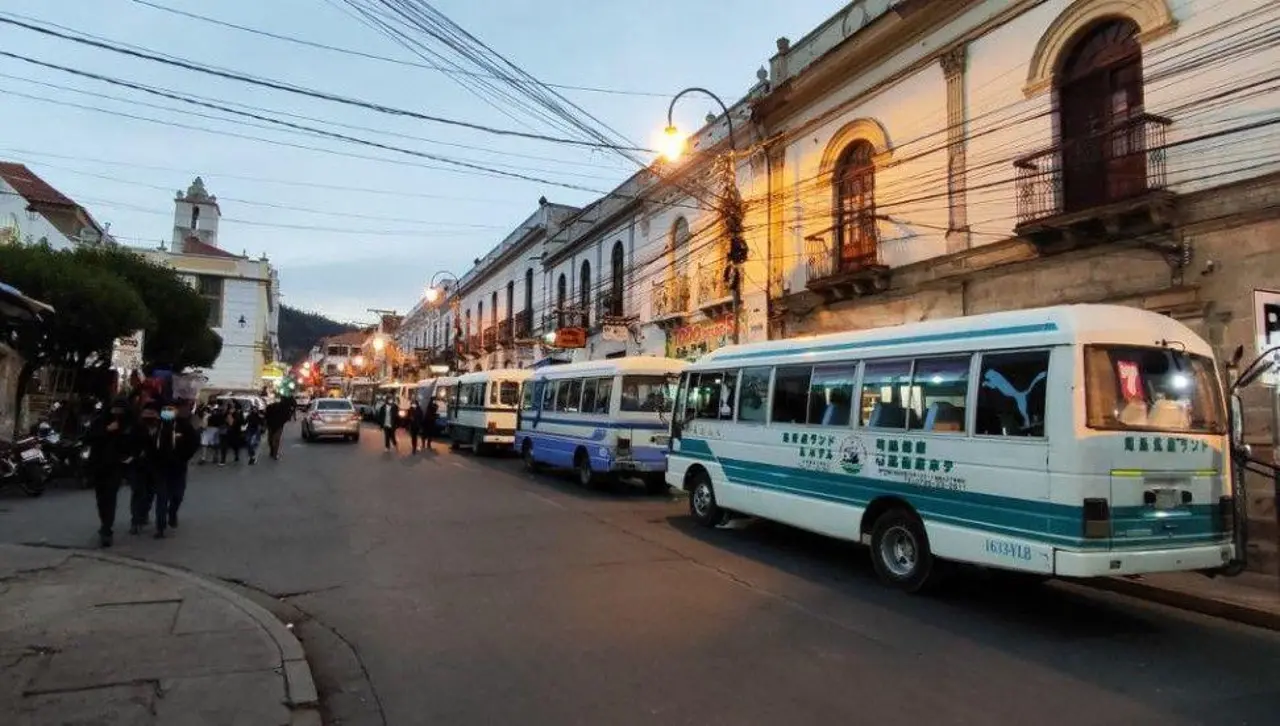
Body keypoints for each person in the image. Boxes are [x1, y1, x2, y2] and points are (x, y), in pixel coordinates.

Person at [130, 400, 196, 538]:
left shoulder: (183, 426)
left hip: (178, 468)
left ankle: (172, 513)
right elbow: (149, 444)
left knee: (177, 495)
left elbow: (193, 443)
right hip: (161, 468)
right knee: (161, 496)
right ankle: (160, 527)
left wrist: (183, 458)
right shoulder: (158, 427)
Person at [84, 397, 133, 547]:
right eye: (115, 410)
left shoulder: (128, 425)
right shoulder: (101, 421)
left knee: (110, 497)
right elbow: (89, 438)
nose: (117, 414)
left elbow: (133, 443)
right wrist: (106, 431)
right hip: (99, 465)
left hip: (116, 467)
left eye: (121, 411)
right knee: (101, 498)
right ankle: (104, 523)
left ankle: (107, 529)